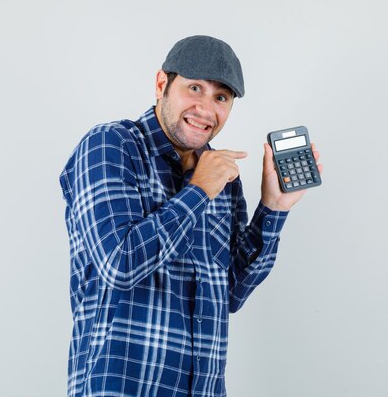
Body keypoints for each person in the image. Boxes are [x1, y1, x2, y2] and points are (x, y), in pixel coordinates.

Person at [60, 35, 322, 397]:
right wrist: (198, 191)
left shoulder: (220, 175)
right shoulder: (112, 144)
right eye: (194, 88)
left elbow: (230, 292)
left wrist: (273, 207)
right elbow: (118, 264)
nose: (205, 108)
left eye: (220, 97)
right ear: (161, 84)